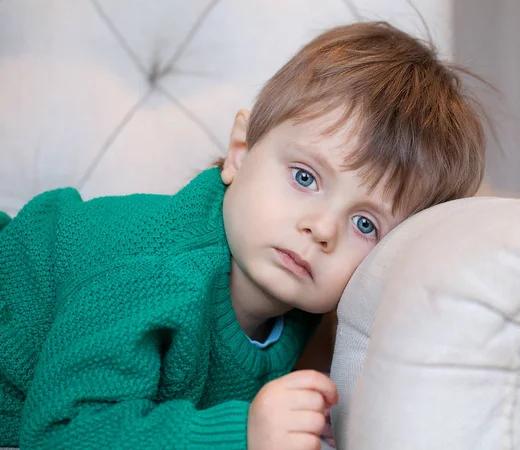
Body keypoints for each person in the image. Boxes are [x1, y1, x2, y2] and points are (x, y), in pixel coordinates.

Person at [0, 21, 486, 449]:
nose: (320, 228)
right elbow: (62, 431)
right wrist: (244, 433)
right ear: (239, 152)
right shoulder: (153, 267)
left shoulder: (301, 310)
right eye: (304, 177)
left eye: (365, 224)